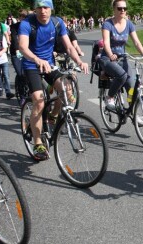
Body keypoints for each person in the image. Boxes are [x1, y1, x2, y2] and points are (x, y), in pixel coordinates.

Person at [18, 0, 88, 161]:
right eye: (39, 7)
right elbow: (23, 47)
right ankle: (37, 143)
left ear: (51, 9)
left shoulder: (57, 23)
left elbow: (69, 47)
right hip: (31, 65)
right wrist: (37, 60)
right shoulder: (27, 24)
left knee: (68, 91)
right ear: (34, 9)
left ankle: (52, 116)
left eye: (46, 7)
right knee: (39, 100)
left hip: (49, 64)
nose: (42, 11)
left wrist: (79, 62)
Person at [99, 0, 143, 111]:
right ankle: (110, 97)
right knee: (122, 76)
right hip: (108, 59)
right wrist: (110, 54)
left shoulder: (129, 24)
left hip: (122, 59)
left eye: (124, 8)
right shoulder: (107, 24)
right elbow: (106, 43)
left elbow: (136, 42)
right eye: (119, 8)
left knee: (131, 87)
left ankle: (133, 113)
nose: (123, 10)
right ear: (114, 9)